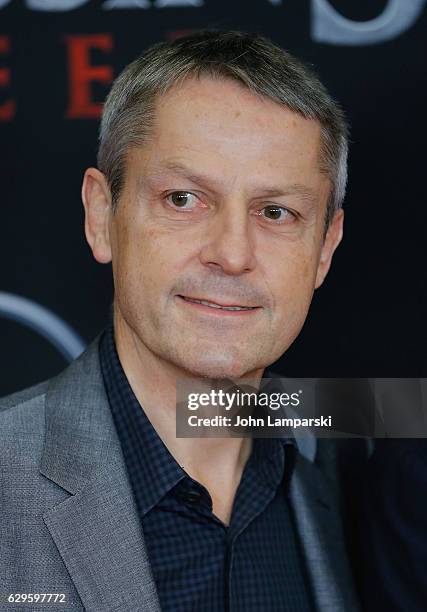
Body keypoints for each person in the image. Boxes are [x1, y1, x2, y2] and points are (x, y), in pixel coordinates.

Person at [0, 30, 361, 611]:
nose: (233, 252)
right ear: (101, 215)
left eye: (276, 212)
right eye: (183, 199)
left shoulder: (341, 481)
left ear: (324, 248)